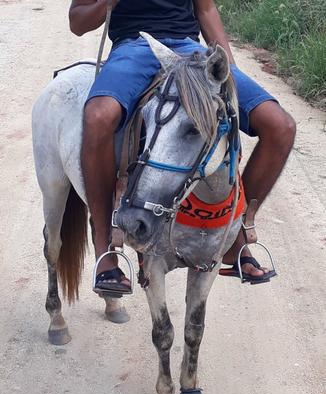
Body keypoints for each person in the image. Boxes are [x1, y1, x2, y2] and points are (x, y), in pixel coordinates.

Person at [69, 0, 296, 295]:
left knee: (280, 126)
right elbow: (77, 22)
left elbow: (205, 9)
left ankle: (235, 234)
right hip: (135, 47)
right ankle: (105, 248)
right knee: (98, 116)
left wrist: (229, 69)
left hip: (190, 49)